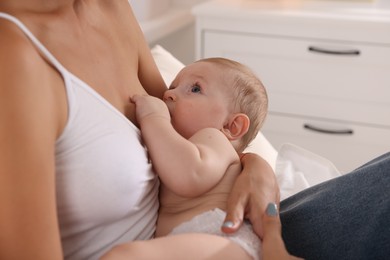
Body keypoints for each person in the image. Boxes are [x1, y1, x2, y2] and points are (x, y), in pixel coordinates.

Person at [1, 1, 389, 259]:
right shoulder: (15, 55)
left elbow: (187, 123)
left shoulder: (109, 8)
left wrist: (255, 167)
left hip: (232, 229)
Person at [102, 57, 270, 260]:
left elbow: (190, 174)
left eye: (195, 89)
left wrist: (154, 118)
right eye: (173, 86)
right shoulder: (175, 145)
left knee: (124, 256)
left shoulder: (214, 138)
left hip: (224, 240)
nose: (169, 94)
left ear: (231, 126)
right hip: (195, 243)